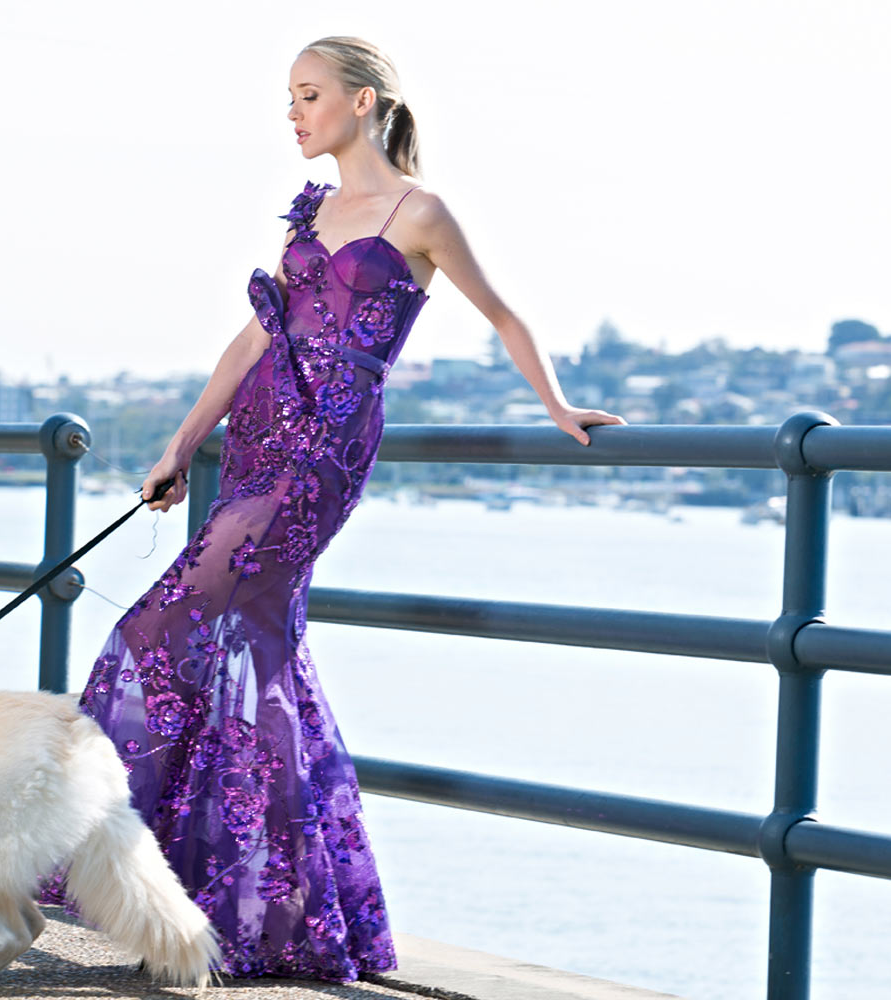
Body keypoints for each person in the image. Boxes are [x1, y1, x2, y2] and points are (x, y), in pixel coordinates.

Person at [41, 35, 627, 982]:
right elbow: (253, 338)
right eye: (289, 97)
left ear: (363, 102)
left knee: (160, 632)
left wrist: (557, 406)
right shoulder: (309, 213)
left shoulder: (420, 211)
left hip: (324, 451)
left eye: (309, 94)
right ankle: (270, 913)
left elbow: (506, 315)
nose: (293, 112)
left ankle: (224, 898)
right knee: (248, 653)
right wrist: (182, 445)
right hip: (260, 438)